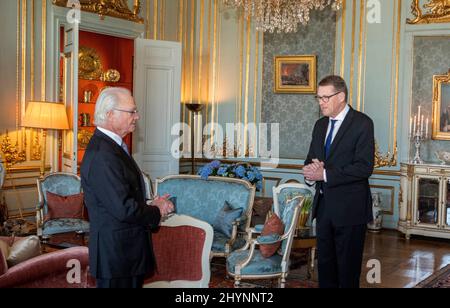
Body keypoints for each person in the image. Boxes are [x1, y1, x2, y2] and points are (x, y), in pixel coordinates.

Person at [81, 87, 174, 288]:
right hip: (116, 257)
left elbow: (123, 196)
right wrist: (156, 210)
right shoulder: (103, 154)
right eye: (131, 111)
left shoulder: (112, 147)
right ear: (109, 114)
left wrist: (150, 203)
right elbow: (123, 208)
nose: (137, 116)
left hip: (125, 254)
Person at [303, 75, 375, 288]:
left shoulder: (362, 123)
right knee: (325, 268)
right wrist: (309, 171)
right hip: (324, 208)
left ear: (341, 96)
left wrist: (324, 174)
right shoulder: (319, 125)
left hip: (350, 210)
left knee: (347, 270)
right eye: (318, 98)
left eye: (325, 97)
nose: (321, 102)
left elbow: (364, 167)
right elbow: (311, 159)